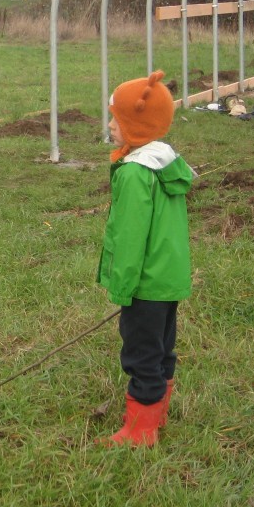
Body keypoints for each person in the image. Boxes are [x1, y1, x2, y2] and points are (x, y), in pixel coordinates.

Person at [98, 70, 193, 447]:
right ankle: (158, 414)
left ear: (137, 126)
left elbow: (130, 236)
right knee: (160, 347)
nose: (110, 124)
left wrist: (122, 287)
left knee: (140, 353)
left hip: (145, 283)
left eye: (117, 119)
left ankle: (140, 432)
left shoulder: (136, 173)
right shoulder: (165, 162)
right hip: (168, 279)